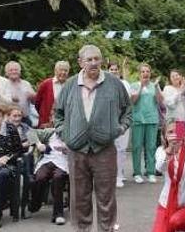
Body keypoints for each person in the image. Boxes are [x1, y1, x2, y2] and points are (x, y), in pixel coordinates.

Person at [55, 44, 131, 232]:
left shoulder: (114, 84)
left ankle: (107, 229)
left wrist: (119, 129)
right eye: (89, 59)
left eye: (97, 59)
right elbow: (58, 114)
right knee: (79, 198)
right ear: (80, 62)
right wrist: (65, 133)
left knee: (106, 198)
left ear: (102, 61)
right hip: (77, 151)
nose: (94, 63)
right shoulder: (70, 85)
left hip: (105, 149)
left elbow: (128, 112)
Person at [151, 122, 185, 232]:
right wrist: (170, 151)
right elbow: (160, 168)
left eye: (177, 131)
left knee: (175, 222)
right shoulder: (161, 151)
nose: (174, 135)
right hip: (166, 203)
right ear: (165, 136)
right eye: (170, 132)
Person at [27, 128, 69, 225]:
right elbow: (30, 132)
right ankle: (36, 204)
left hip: (64, 162)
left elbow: (80, 148)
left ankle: (58, 214)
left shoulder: (73, 133)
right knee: (40, 177)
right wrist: (38, 144)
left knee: (58, 178)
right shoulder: (50, 132)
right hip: (47, 161)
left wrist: (68, 149)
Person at [131, 63, 163, 184]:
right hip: (138, 120)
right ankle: (137, 173)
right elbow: (133, 101)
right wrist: (141, 86)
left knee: (151, 147)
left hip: (151, 119)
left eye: (147, 71)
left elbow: (160, 101)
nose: (145, 73)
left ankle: (150, 172)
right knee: (137, 147)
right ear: (139, 74)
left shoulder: (153, 86)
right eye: (143, 71)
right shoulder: (134, 85)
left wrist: (157, 87)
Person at [107, 61, 132, 188]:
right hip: (109, 121)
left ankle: (119, 175)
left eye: (116, 69)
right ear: (108, 70)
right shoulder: (104, 84)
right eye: (111, 69)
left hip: (122, 120)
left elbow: (128, 103)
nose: (114, 71)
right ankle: (110, 175)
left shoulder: (125, 84)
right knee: (110, 149)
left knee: (121, 149)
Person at [35, 61, 70, 129]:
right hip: (46, 122)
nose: (63, 72)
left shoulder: (70, 85)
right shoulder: (46, 84)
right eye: (61, 70)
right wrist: (44, 114)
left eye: (65, 70)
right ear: (55, 71)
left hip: (65, 122)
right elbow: (37, 102)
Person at [4, 62, 36, 127]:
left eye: (16, 70)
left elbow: (35, 102)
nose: (14, 72)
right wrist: (11, 101)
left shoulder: (26, 84)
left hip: (25, 119)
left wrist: (32, 97)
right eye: (11, 70)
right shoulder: (3, 84)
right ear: (6, 73)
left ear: (20, 71)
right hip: (8, 120)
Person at [163, 70, 185, 139]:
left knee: (182, 145)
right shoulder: (167, 88)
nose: (175, 77)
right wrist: (180, 91)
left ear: (180, 77)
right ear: (170, 79)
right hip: (173, 122)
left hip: (184, 121)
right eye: (173, 76)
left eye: (177, 75)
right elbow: (171, 104)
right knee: (173, 143)